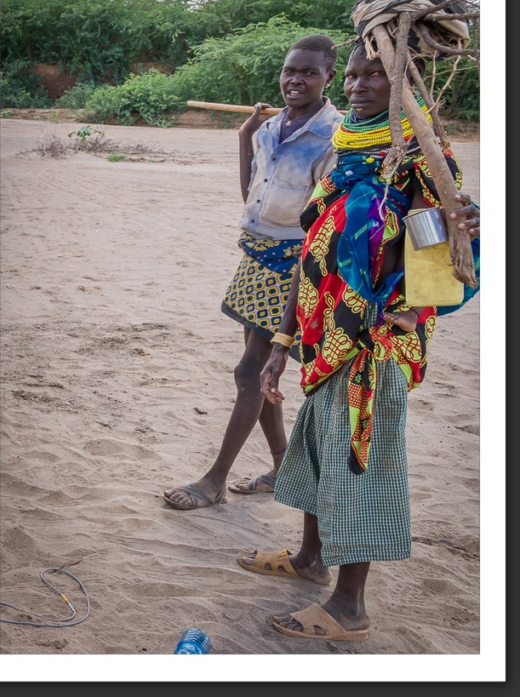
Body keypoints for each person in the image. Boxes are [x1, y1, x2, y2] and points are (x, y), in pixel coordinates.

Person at [236, 38, 480, 640]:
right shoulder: (347, 147)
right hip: (323, 333)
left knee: (358, 461)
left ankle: (350, 606)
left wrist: (458, 231)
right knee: (320, 449)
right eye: (353, 75)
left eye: (377, 76)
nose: (358, 86)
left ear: (404, 84)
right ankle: (311, 562)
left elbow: (436, 248)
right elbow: (311, 248)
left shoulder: (417, 157)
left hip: (374, 340)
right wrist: (283, 340)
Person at [163, 34, 345, 510]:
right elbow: (251, 191)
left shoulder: (335, 135)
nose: (296, 79)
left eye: (308, 72)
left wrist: (308, 271)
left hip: (295, 264)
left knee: (250, 373)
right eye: (290, 70)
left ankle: (214, 480)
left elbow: (324, 218)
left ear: (329, 77)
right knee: (260, 373)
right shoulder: (270, 129)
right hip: (256, 255)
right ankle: (282, 464)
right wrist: (244, 136)